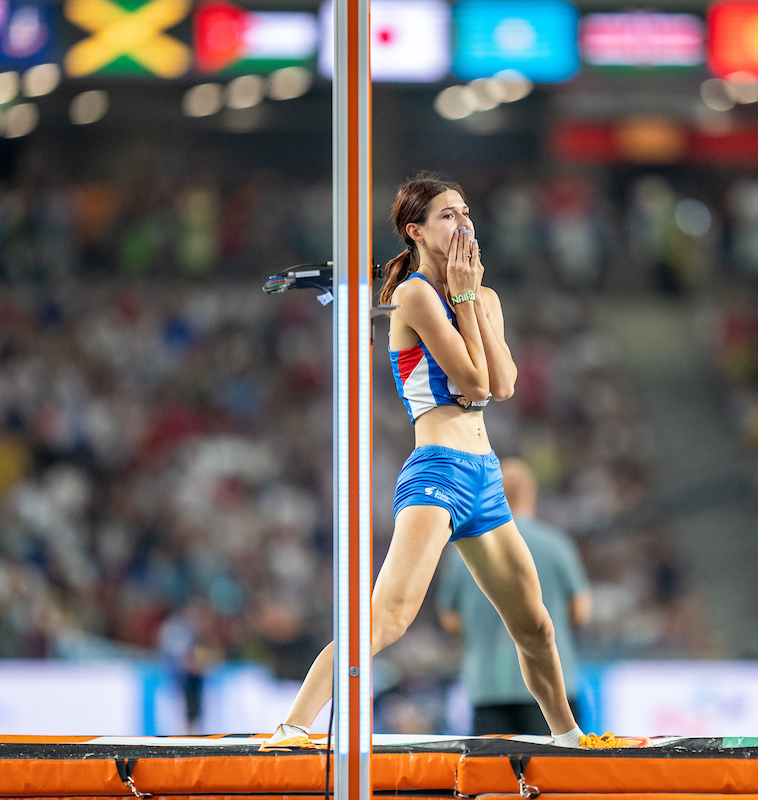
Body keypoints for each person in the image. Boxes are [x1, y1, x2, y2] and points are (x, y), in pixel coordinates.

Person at [264, 174, 640, 749]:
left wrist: (471, 301)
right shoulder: (414, 295)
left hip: (484, 476)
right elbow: (471, 380)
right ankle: (294, 724)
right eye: (447, 215)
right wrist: (464, 302)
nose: (462, 223)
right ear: (415, 230)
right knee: (387, 617)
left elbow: (504, 385)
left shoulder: (485, 296)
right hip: (437, 470)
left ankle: (568, 737)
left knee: (536, 624)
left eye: (465, 212)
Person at [438, 458, 591, 735]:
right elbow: (580, 610)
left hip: (487, 687)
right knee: (554, 773)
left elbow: (449, 618)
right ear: (531, 495)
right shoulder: (556, 545)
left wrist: (484, 629)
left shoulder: (463, 549)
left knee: (494, 775)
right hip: (552, 687)